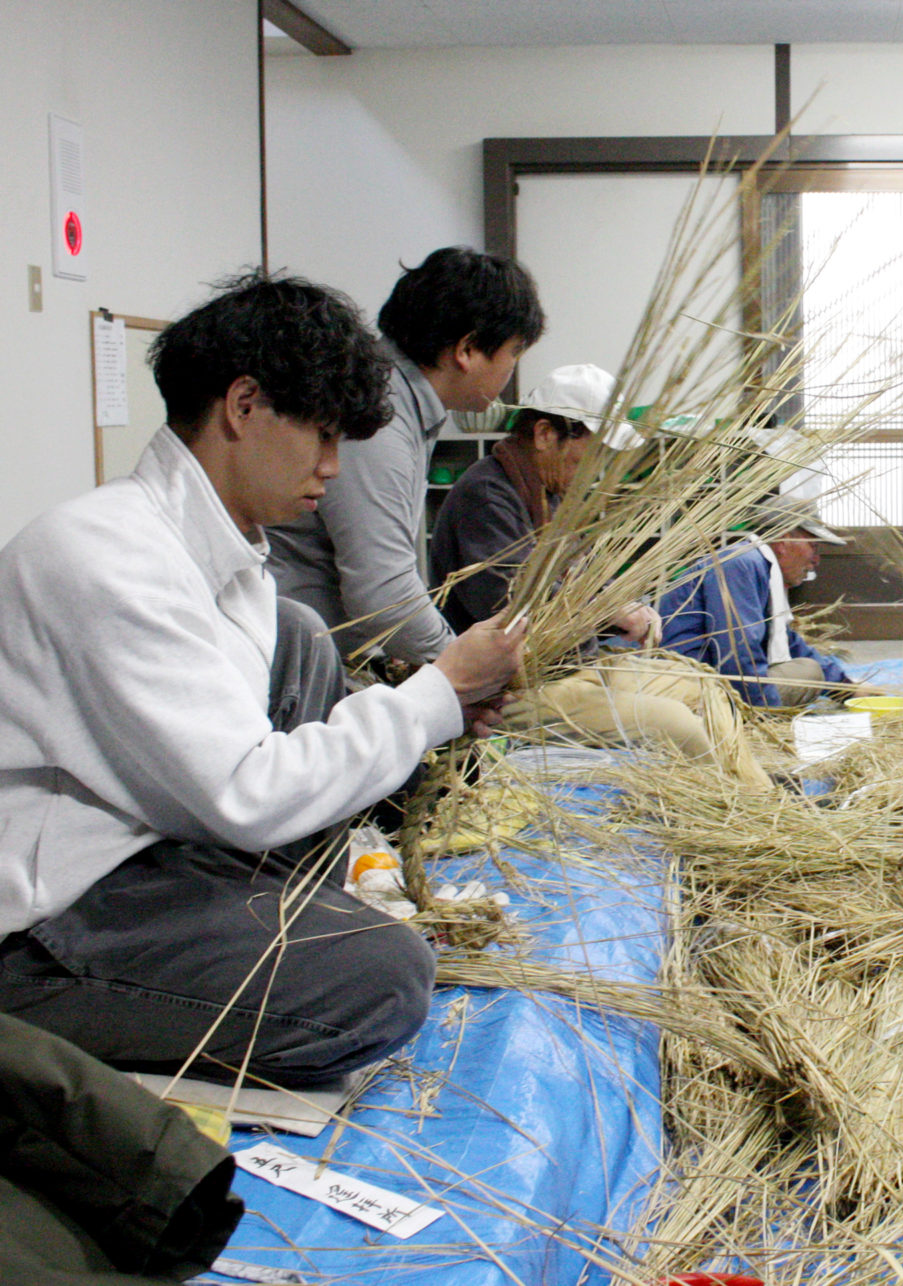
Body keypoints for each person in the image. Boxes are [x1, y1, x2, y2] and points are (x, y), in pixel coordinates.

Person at [0, 273, 523, 1087]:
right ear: (243, 406)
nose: (332, 469)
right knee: (384, 979)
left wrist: (441, 710)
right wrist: (434, 695)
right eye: (319, 436)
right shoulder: (103, 557)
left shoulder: (230, 561)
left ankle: (261, 929)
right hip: (48, 923)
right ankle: (52, 1025)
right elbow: (247, 794)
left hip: (151, 850)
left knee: (303, 640)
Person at [430, 364, 771, 790]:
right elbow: (510, 607)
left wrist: (622, 606)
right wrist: (608, 611)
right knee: (676, 724)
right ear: (544, 434)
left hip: (575, 666)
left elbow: (583, 576)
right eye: (593, 455)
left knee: (704, 688)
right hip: (510, 693)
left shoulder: (551, 496)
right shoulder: (487, 496)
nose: (597, 472)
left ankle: (763, 802)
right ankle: (735, 819)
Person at [267, 246, 545, 665]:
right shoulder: (381, 413)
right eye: (514, 352)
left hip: (327, 648)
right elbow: (383, 593)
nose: (511, 370)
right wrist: (460, 671)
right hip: (292, 657)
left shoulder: (404, 402)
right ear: (467, 350)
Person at [656, 494, 856, 708]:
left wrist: (847, 688)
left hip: (708, 678)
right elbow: (738, 655)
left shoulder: (758, 566)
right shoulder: (740, 565)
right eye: (814, 547)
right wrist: (764, 714)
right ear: (784, 540)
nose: (816, 560)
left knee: (809, 669)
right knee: (807, 672)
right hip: (681, 684)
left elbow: (787, 640)